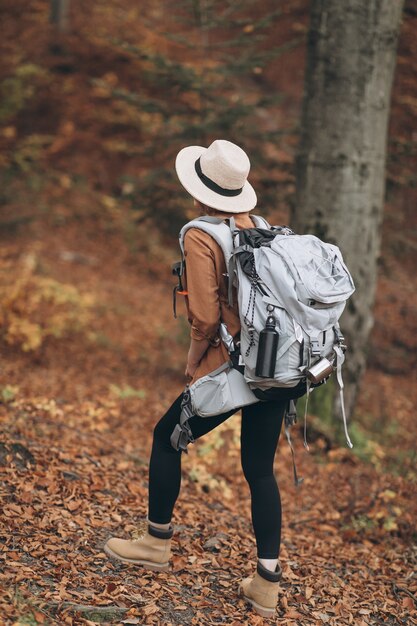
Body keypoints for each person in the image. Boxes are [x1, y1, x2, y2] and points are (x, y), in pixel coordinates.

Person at [104, 139, 294, 618]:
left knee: (166, 437)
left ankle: (154, 543)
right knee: (258, 469)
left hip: (234, 369)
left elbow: (205, 318)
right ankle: (267, 583)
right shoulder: (258, 226)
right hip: (276, 366)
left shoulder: (200, 235)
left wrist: (193, 360)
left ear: (199, 189)